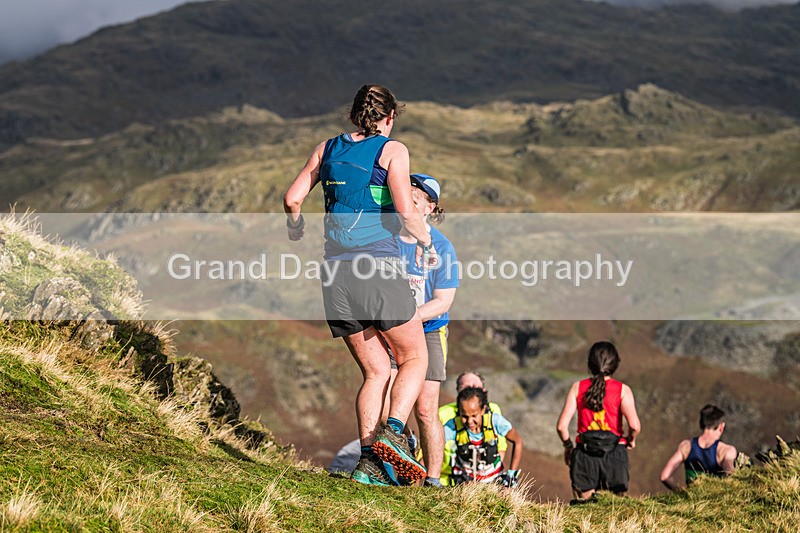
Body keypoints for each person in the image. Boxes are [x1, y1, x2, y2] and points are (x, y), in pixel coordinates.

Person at [284, 84, 436, 486]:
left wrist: (295, 226)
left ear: (354, 116)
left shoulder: (326, 148)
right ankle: (394, 434)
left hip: (335, 275)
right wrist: (427, 243)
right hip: (377, 267)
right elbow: (406, 209)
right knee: (414, 358)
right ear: (389, 117)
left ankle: (369, 465)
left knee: (375, 371)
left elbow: (292, 198)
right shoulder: (393, 150)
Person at [384, 173, 459, 488]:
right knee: (386, 397)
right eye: (405, 199)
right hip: (391, 328)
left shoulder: (443, 248)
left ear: (430, 208)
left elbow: (443, 301)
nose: (407, 207)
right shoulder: (386, 240)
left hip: (428, 330)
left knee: (426, 408)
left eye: (415, 202)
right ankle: (385, 469)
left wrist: (410, 316)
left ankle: (433, 480)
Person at [556, 341, 641, 501]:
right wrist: (631, 439)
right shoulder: (623, 390)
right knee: (614, 510)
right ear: (615, 364)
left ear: (590, 364)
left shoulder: (577, 387)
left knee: (584, 510)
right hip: (614, 454)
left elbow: (562, 427)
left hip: (585, 455)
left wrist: (568, 446)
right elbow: (635, 425)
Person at [442, 387, 523, 487]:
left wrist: (511, 474)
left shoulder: (495, 422)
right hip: (464, 481)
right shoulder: (453, 426)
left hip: (494, 479)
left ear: (483, 410)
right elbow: (435, 446)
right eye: (464, 416)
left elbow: (517, 441)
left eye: (474, 416)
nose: (469, 421)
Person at [438, 371, 508, 486]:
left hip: (484, 481)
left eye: (475, 387)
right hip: (447, 482)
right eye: (465, 388)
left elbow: (501, 448)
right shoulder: (443, 414)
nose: (470, 391)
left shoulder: (493, 411)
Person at [659, 404, 738, 491]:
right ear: (721, 427)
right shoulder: (725, 451)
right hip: (715, 501)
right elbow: (730, 476)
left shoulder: (686, 447)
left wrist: (683, 493)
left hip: (692, 501)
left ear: (701, 423)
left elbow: (664, 476)